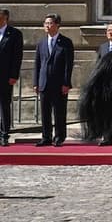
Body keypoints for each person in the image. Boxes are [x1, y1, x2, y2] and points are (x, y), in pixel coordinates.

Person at [33, 13, 74, 146]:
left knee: (59, 112)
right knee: (45, 112)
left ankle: (59, 137)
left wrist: (66, 83)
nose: (47, 26)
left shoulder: (66, 42)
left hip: (59, 83)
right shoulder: (41, 43)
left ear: (57, 25)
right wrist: (36, 83)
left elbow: (69, 65)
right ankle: (46, 137)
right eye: (45, 23)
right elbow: (37, 64)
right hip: (44, 82)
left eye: (50, 23)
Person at [0, 8, 23, 147]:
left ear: (5, 18)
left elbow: (17, 56)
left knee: (4, 106)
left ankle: (4, 134)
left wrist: (14, 75)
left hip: (5, 77)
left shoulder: (14, 34)